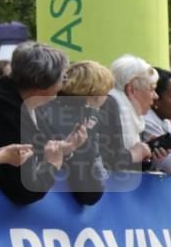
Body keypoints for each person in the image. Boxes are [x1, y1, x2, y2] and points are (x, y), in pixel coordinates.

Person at [0, 42, 86, 204]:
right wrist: (52, 164)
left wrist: (64, 150)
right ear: (43, 87)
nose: (64, 83)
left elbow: (40, 149)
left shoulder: (30, 104)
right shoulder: (2, 110)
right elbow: (24, 190)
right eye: (62, 77)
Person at [39, 60, 115, 205]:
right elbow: (90, 191)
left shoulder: (46, 108)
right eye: (106, 93)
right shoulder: (80, 120)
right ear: (95, 94)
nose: (107, 99)